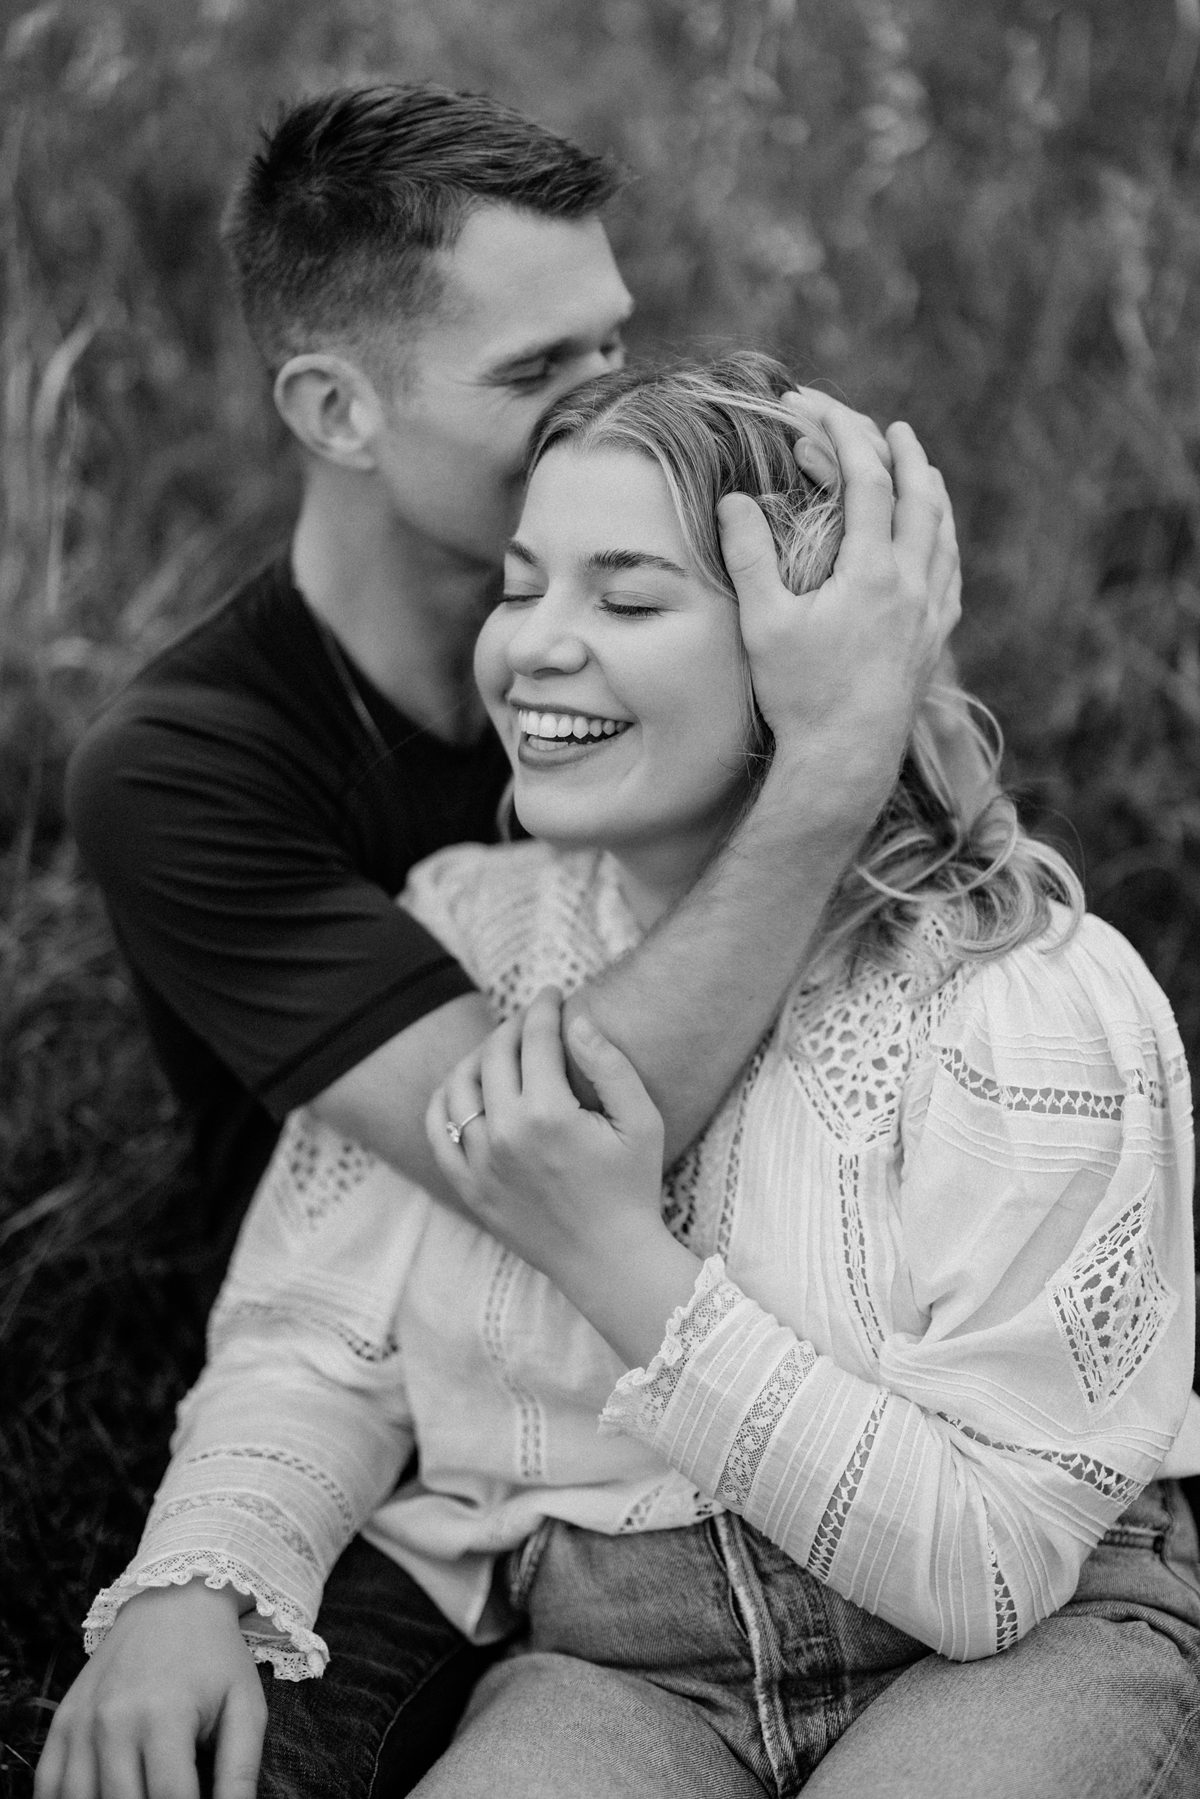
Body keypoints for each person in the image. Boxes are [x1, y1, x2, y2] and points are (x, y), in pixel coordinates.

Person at [40, 354, 1200, 1799]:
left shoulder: (1025, 997)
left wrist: (609, 1254)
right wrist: (191, 1583)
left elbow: (989, 1569)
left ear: (810, 657)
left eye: (629, 598)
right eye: (521, 586)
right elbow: (312, 1340)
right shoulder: (472, 930)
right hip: (617, 1662)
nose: (535, 646)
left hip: (1017, 1645)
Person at [57, 85, 960, 1793]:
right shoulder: (185, 769)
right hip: (402, 1393)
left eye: (612, 342)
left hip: (765, 1353)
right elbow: (549, 1154)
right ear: (335, 408)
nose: (605, 407)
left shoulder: (656, 651)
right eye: (537, 371)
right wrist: (828, 768)